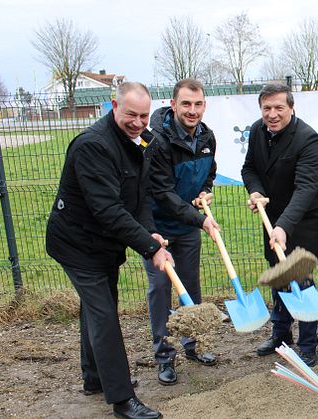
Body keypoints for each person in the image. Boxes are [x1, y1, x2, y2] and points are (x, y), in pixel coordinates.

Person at [46, 82, 169, 419]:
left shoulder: (144, 139)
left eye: (144, 115)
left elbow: (140, 195)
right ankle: (122, 399)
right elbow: (108, 209)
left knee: (97, 309)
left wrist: (151, 232)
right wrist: (149, 248)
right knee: (104, 315)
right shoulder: (93, 146)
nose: (139, 122)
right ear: (113, 105)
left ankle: (94, 378)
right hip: (77, 243)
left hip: (105, 244)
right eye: (131, 114)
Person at [241, 83, 318, 368]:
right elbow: (249, 168)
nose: (273, 114)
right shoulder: (256, 130)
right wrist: (255, 191)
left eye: (279, 107)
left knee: (301, 282)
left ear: (291, 107)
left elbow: (305, 189)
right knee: (278, 278)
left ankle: (308, 345)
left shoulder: (307, 139)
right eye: (267, 108)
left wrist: (284, 227)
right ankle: (280, 336)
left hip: (302, 223)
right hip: (272, 219)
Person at [143, 78, 220, 386]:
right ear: (173, 105)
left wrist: (205, 190)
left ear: (204, 105)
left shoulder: (207, 137)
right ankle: (165, 356)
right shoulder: (156, 140)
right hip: (157, 229)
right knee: (160, 290)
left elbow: (210, 171)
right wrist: (200, 220)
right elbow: (162, 192)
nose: (192, 110)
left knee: (190, 287)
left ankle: (193, 345)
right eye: (186, 104)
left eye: (198, 104)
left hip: (187, 226)